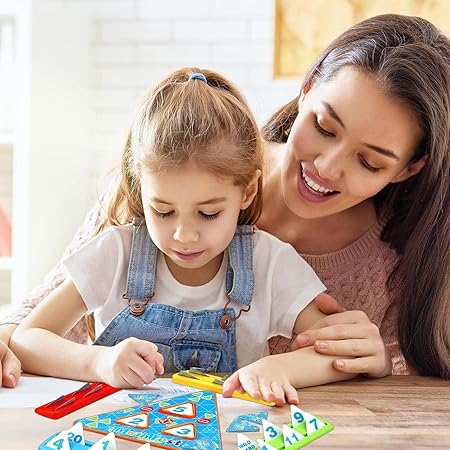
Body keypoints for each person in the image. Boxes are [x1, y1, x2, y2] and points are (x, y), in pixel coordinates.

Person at [1, 12, 449, 386]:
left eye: (369, 162)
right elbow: (29, 324)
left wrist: (374, 364)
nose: (327, 167)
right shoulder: (175, 171)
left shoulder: (369, 260)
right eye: (325, 127)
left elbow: (385, 379)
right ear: (308, 87)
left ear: (409, 168)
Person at [9, 67, 357, 405]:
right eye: (162, 211)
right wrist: (98, 362)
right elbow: (28, 338)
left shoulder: (269, 263)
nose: (184, 235)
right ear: (140, 189)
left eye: (208, 213)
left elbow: (336, 353)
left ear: (248, 192)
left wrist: (279, 367)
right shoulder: (117, 252)